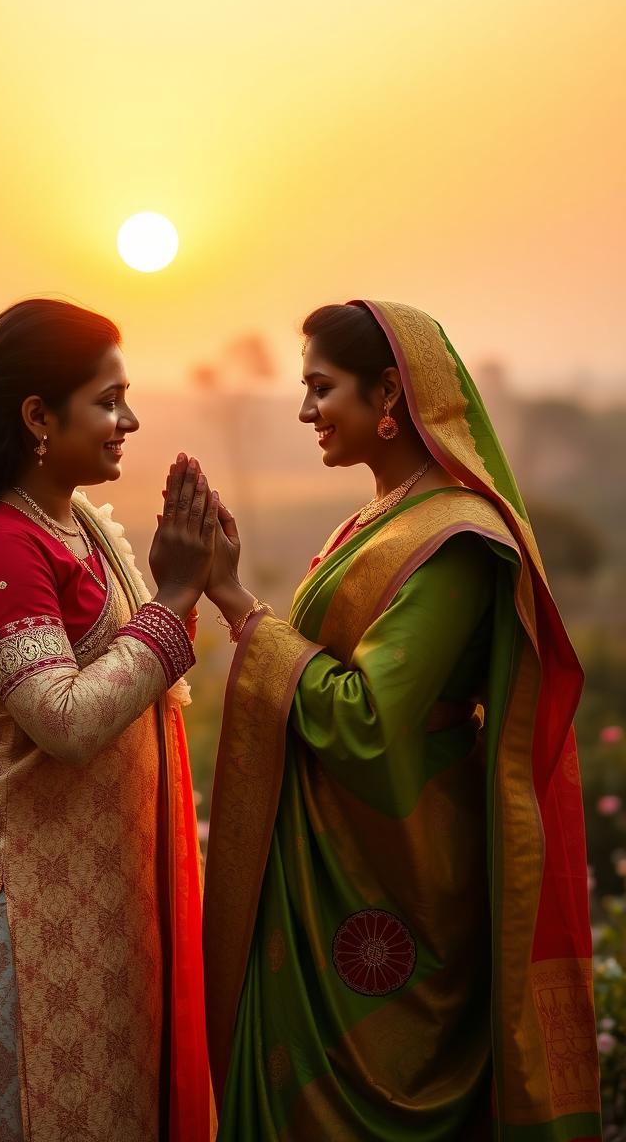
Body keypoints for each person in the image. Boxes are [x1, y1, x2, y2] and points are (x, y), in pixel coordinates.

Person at [201, 299, 601, 1140]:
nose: (306, 410)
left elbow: (370, 725)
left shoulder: (454, 542)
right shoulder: (376, 519)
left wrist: (236, 601)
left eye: (322, 387)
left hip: (397, 889)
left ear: (389, 393)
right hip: (339, 870)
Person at [0, 298, 216, 1142]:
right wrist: (172, 599)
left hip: (97, 906)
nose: (129, 420)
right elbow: (64, 720)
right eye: (109, 399)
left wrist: (201, 581)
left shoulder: (76, 524)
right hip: (18, 910)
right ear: (37, 417)